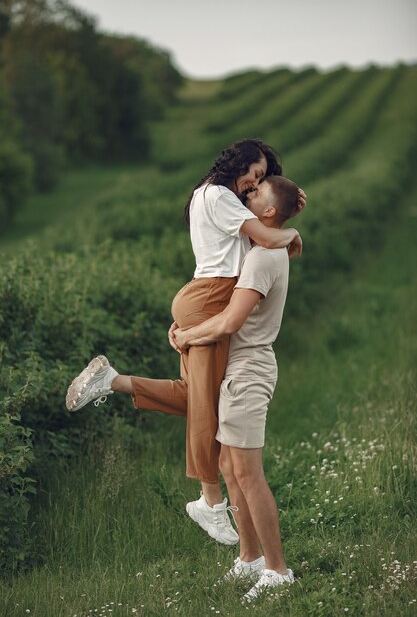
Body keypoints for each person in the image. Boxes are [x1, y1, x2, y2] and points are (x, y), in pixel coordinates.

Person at [66, 139, 305, 545]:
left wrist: (285, 208)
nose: (253, 183)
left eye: (262, 181)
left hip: (204, 295)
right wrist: (293, 229)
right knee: (206, 407)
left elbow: (262, 230)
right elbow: (267, 237)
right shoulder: (219, 195)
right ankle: (210, 502)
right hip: (213, 296)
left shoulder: (210, 195)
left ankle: (112, 381)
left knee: (196, 396)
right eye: (255, 174)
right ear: (240, 162)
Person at [172, 175, 299, 601]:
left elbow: (230, 322)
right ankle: (249, 559)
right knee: (229, 467)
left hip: (248, 371)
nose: (247, 194)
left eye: (256, 194)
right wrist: (292, 226)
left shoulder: (264, 259)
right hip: (238, 369)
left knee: (247, 473)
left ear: (266, 214)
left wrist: (188, 336)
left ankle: (278, 570)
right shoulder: (262, 247)